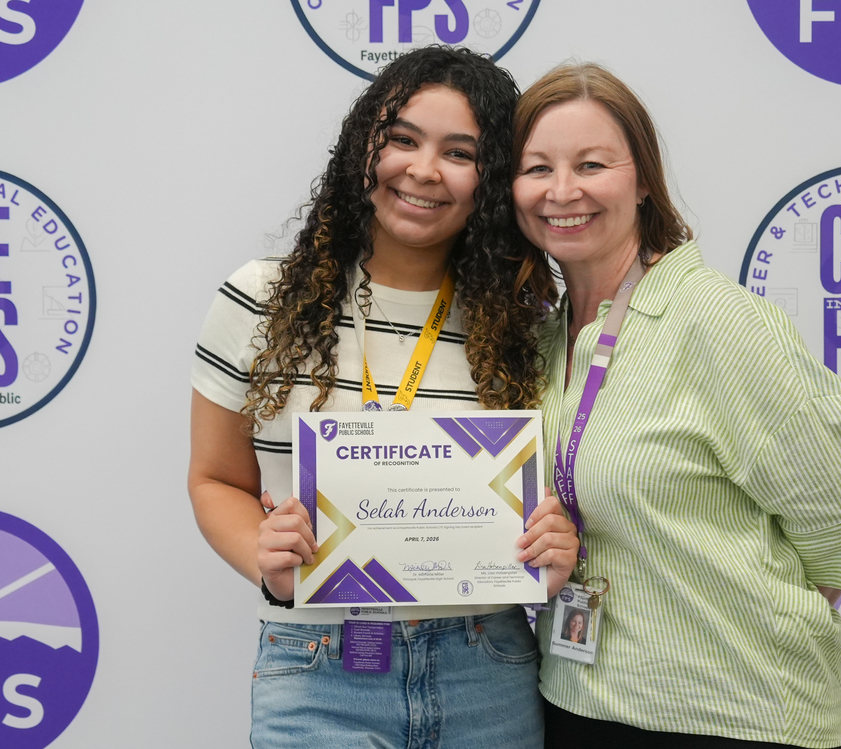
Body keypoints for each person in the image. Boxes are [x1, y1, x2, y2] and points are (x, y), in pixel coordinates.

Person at [188, 46, 577, 749]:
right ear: (362, 146)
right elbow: (215, 478)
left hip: (486, 666)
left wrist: (547, 543)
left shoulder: (524, 322)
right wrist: (263, 555)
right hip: (316, 670)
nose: (423, 169)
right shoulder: (260, 298)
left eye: (459, 152)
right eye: (401, 138)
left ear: (488, 180)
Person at [512, 63, 841, 749]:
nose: (562, 191)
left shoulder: (719, 321)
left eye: (591, 164)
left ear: (643, 179)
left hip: (732, 711)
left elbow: (839, 520)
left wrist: (742, 616)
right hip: (576, 699)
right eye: (538, 168)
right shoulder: (540, 342)